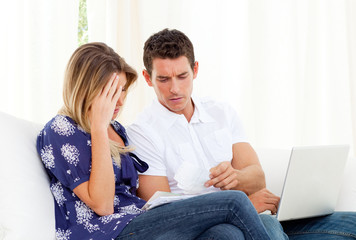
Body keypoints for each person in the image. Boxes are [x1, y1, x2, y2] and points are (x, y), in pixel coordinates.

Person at [127, 28, 356, 239]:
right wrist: (241, 206)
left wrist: (236, 178)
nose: (174, 88)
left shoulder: (221, 112)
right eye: (163, 79)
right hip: (205, 230)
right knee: (238, 233)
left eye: (182, 76)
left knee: (350, 224)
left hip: (250, 215)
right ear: (148, 78)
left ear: (195, 70)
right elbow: (166, 213)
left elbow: (257, 177)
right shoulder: (143, 132)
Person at [36, 42, 272, 240]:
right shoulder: (60, 129)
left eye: (122, 90)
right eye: (109, 92)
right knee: (234, 201)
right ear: (84, 89)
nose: (118, 101)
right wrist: (98, 127)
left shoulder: (117, 129)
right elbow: (103, 206)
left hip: (142, 219)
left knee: (225, 234)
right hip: (107, 232)